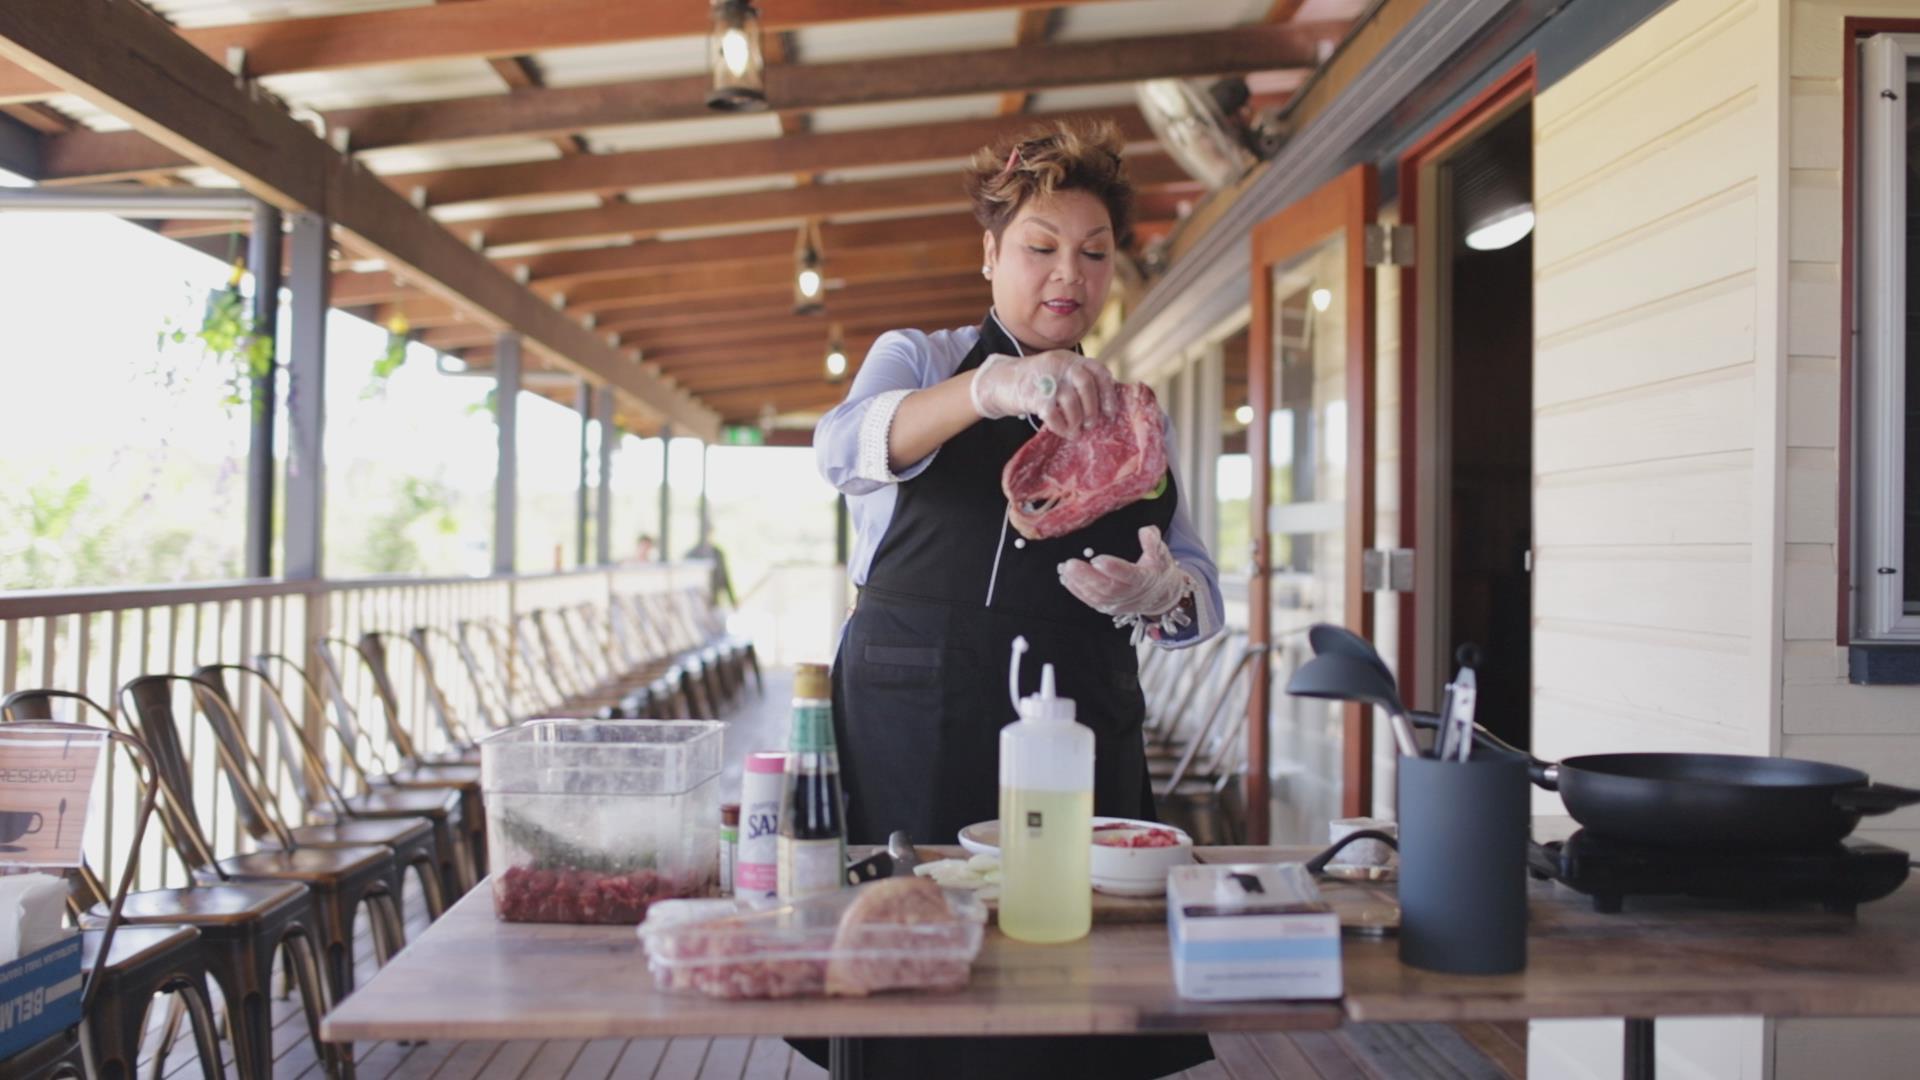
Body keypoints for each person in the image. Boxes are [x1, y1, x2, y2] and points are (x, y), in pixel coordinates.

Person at [808, 121, 1223, 1080]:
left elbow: (1202, 598)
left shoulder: (1132, 417)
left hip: (1077, 712)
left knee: (1073, 982)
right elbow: (840, 450)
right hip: (913, 710)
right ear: (990, 253)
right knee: (911, 963)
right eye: (1040, 247)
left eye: (1094, 253)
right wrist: (989, 390)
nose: (1068, 274)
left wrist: (1162, 591)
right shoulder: (920, 358)